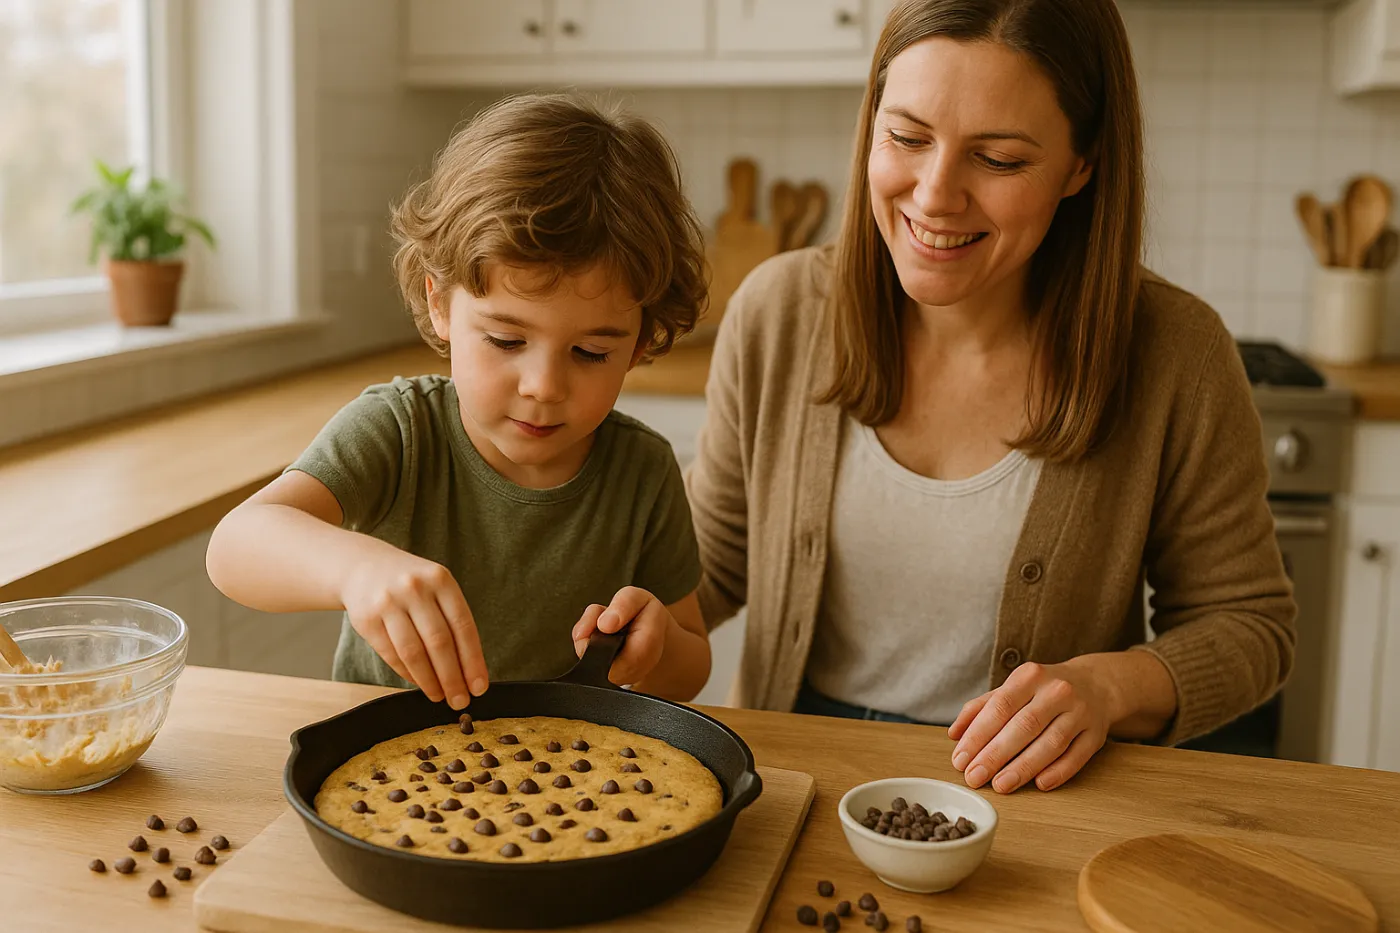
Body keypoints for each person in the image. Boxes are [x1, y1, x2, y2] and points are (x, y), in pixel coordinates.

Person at [685, 0, 1296, 794]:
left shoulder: (1177, 352)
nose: (935, 195)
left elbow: (1250, 626)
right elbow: (709, 564)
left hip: (1032, 800)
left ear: (1083, 164)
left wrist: (1109, 688)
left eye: (999, 159)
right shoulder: (778, 311)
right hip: (798, 779)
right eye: (906, 137)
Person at [206, 93, 712, 708]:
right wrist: (356, 570)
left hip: (563, 777)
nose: (543, 386)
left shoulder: (643, 470)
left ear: (639, 343)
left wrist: (654, 648)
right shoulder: (399, 430)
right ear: (442, 305)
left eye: (591, 353)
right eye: (505, 339)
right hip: (386, 764)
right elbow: (235, 547)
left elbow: (691, 666)